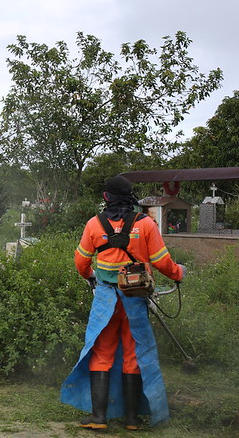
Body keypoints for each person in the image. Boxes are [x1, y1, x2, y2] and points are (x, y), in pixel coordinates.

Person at [60, 175, 186, 430]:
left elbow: (81, 263)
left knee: (102, 353)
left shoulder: (94, 225)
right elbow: (162, 262)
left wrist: (90, 276)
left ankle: (99, 418)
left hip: (106, 299)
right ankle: (131, 419)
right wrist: (179, 273)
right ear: (131, 198)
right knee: (134, 354)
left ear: (106, 197)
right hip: (135, 299)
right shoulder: (146, 224)